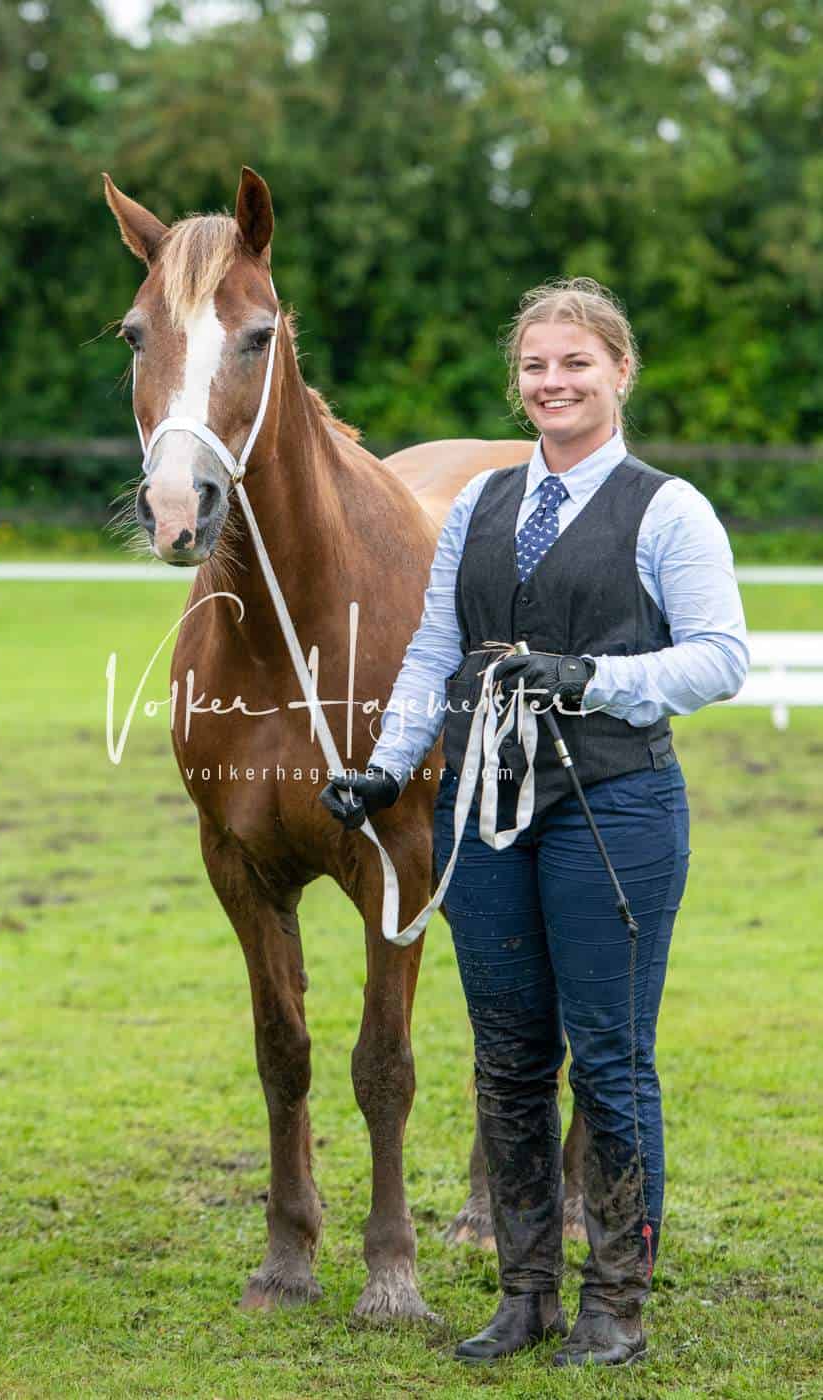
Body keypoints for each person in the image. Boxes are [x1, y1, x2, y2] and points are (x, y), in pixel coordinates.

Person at [320, 278, 748, 1367]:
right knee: (507, 1061)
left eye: (575, 363)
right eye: (535, 367)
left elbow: (720, 657)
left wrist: (593, 676)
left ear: (619, 372)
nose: (553, 383)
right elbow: (434, 649)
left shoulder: (668, 510)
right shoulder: (480, 506)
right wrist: (384, 768)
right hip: (487, 814)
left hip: (615, 809)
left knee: (608, 1061)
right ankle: (525, 1295)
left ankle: (616, 1303)